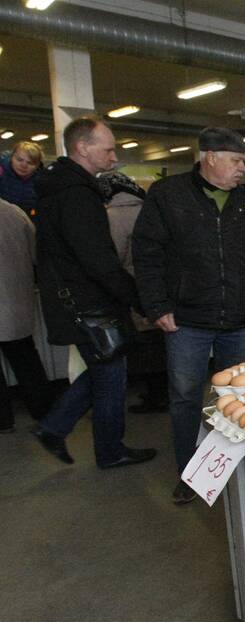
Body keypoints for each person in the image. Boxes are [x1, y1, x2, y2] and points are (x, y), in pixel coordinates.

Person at [133, 127, 245, 504]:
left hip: (237, 321)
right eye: (236, 161)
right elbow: (146, 253)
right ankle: (191, 473)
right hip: (187, 322)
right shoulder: (168, 196)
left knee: (238, 398)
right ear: (209, 157)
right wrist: (158, 305)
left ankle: (233, 467)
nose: (242, 169)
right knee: (185, 397)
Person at [31, 116, 155, 469]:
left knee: (104, 370)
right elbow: (98, 260)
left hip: (75, 300)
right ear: (82, 148)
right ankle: (107, 450)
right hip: (90, 303)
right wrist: (139, 300)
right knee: (111, 374)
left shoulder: (58, 190)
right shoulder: (76, 196)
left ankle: (56, 429)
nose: (114, 157)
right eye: (109, 148)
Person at [100, 171, 168, 414]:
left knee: (145, 348)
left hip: (135, 287)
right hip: (161, 286)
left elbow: (112, 258)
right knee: (160, 343)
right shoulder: (152, 209)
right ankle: (163, 392)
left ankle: (155, 396)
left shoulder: (112, 217)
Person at [0, 197, 54, 432]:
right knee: (26, 358)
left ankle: (3, 420)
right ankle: (44, 410)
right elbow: (37, 254)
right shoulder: (15, 213)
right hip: (17, 300)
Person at [0, 140, 45, 214]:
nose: (23, 165)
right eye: (19, 160)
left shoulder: (42, 181)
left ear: (37, 165)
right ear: (12, 157)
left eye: (30, 163)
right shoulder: (2, 171)